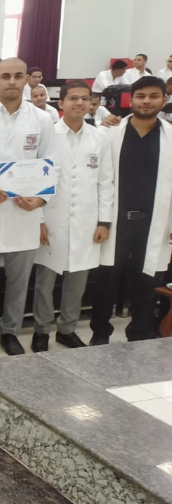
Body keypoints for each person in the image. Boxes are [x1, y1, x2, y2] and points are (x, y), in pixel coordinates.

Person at [0, 57, 56, 356]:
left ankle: (10, 331)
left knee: (19, 281)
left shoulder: (42, 120)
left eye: (18, 76)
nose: (12, 81)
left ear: (27, 79)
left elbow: (50, 165)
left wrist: (40, 200)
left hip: (23, 211)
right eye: (6, 76)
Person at [90, 76, 172, 344]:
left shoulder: (170, 136)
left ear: (164, 100)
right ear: (131, 99)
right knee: (106, 279)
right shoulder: (111, 133)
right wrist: (102, 220)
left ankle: (139, 333)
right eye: (141, 96)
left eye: (153, 96)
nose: (146, 101)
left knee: (146, 280)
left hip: (154, 221)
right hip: (115, 220)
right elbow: (99, 179)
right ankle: (100, 334)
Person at [32, 81, 113, 351]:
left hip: (86, 222)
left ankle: (67, 330)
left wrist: (104, 222)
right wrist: (39, 220)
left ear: (91, 103)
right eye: (73, 98)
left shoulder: (100, 138)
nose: (80, 103)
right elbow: (37, 181)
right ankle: (41, 331)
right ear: (61, 103)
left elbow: (106, 183)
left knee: (77, 282)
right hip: (51, 218)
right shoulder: (48, 136)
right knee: (45, 282)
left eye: (85, 98)